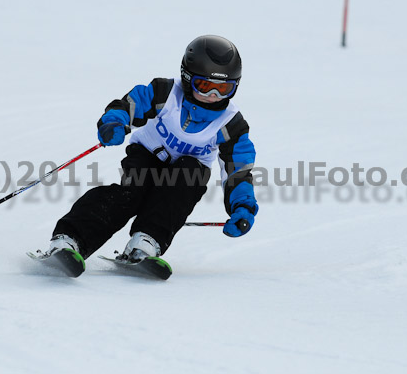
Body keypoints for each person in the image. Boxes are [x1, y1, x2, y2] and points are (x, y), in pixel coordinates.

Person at [43, 35, 258, 271]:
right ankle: (70, 239)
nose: (214, 96)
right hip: (146, 154)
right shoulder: (166, 93)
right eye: (205, 86)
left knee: (182, 187)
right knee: (132, 194)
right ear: (187, 78)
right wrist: (114, 122)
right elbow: (131, 104)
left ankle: (146, 242)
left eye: (224, 88)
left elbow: (238, 169)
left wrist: (242, 207)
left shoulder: (231, 124)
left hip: (190, 169)